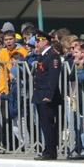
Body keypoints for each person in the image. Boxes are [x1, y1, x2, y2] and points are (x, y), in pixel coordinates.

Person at [31, 32, 62, 160]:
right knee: (45, 125)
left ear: (45, 42)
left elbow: (53, 79)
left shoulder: (53, 57)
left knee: (48, 125)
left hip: (46, 96)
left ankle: (51, 152)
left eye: (38, 41)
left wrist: (49, 95)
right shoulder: (43, 56)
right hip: (40, 94)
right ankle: (47, 149)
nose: (36, 44)